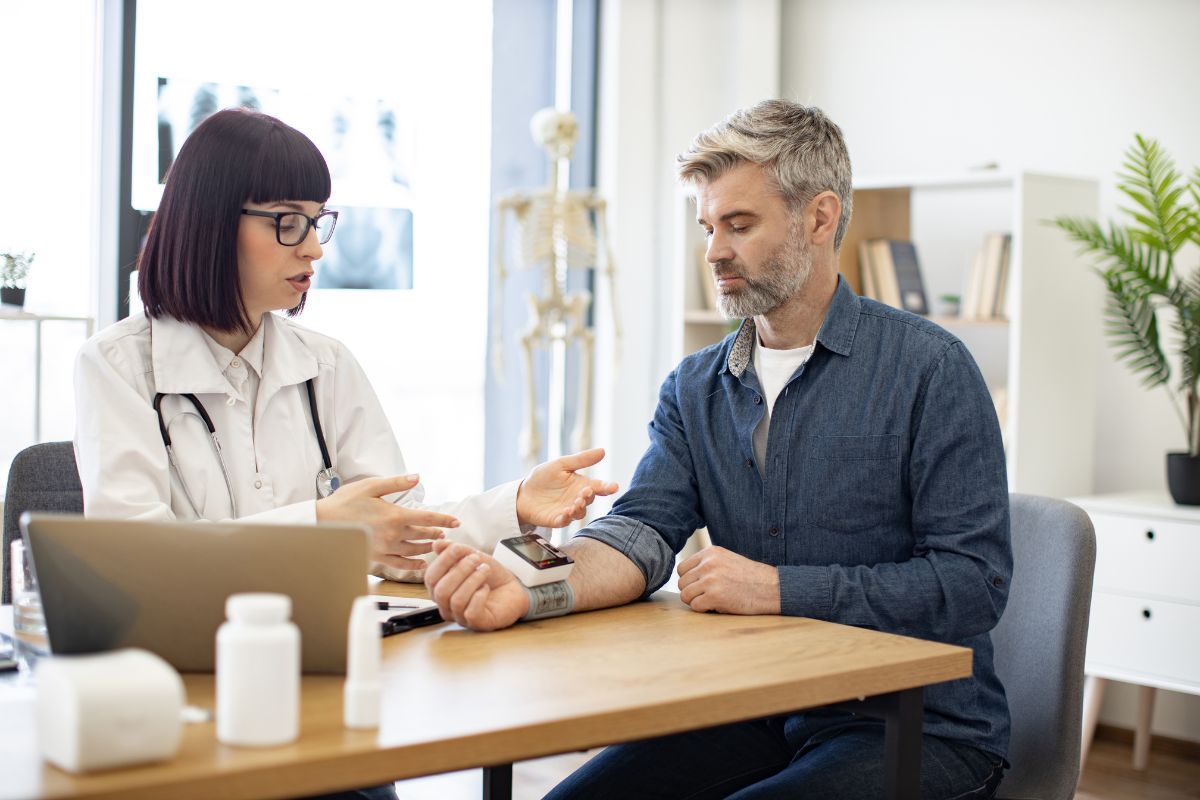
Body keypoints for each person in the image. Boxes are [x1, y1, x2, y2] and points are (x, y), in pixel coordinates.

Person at [424, 100, 1012, 799]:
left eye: (739, 224)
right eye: (708, 226)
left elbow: (975, 583)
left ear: (820, 218)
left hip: (913, 726)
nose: (713, 251)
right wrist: (530, 586)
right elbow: (639, 533)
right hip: (753, 707)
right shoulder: (694, 385)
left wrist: (778, 589)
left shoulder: (931, 370)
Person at [74, 107, 617, 589]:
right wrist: (322, 523)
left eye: (317, 223)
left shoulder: (325, 364)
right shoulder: (118, 367)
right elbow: (137, 562)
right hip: (186, 664)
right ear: (210, 222)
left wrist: (514, 503)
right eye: (288, 223)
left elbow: (398, 533)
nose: (313, 248)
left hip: (326, 644)